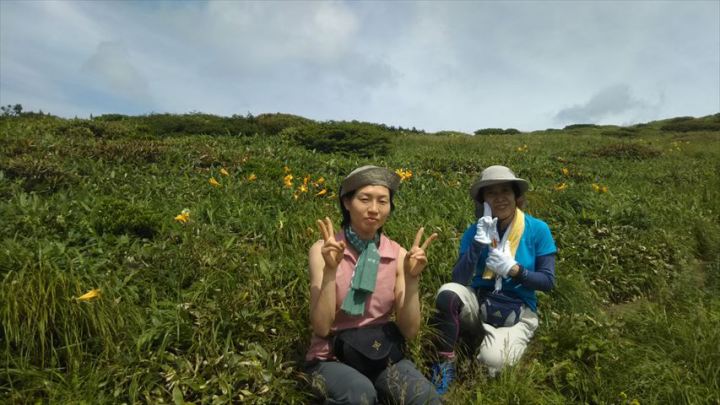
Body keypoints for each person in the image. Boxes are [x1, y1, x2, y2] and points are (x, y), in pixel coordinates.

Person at [305, 165, 441, 404]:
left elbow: (409, 331)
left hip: (380, 354)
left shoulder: (398, 254)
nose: (374, 209)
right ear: (347, 202)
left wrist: (412, 279)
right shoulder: (323, 250)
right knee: (360, 395)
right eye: (365, 199)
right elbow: (322, 328)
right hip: (330, 356)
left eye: (382, 201)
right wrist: (330, 271)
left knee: (426, 398)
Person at [430, 165, 557, 394]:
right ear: (483, 201)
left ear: (516, 196)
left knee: (494, 363)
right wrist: (478, 245)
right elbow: (459, 278)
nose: (500, 198)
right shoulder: (475, 231)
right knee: (448, 293)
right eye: (491, 193)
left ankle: (482, 342)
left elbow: (547, 282)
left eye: (505, 191)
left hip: (518, 309)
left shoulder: (538, 229)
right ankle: (445, 363)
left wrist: (516, 270)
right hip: (481, 300)